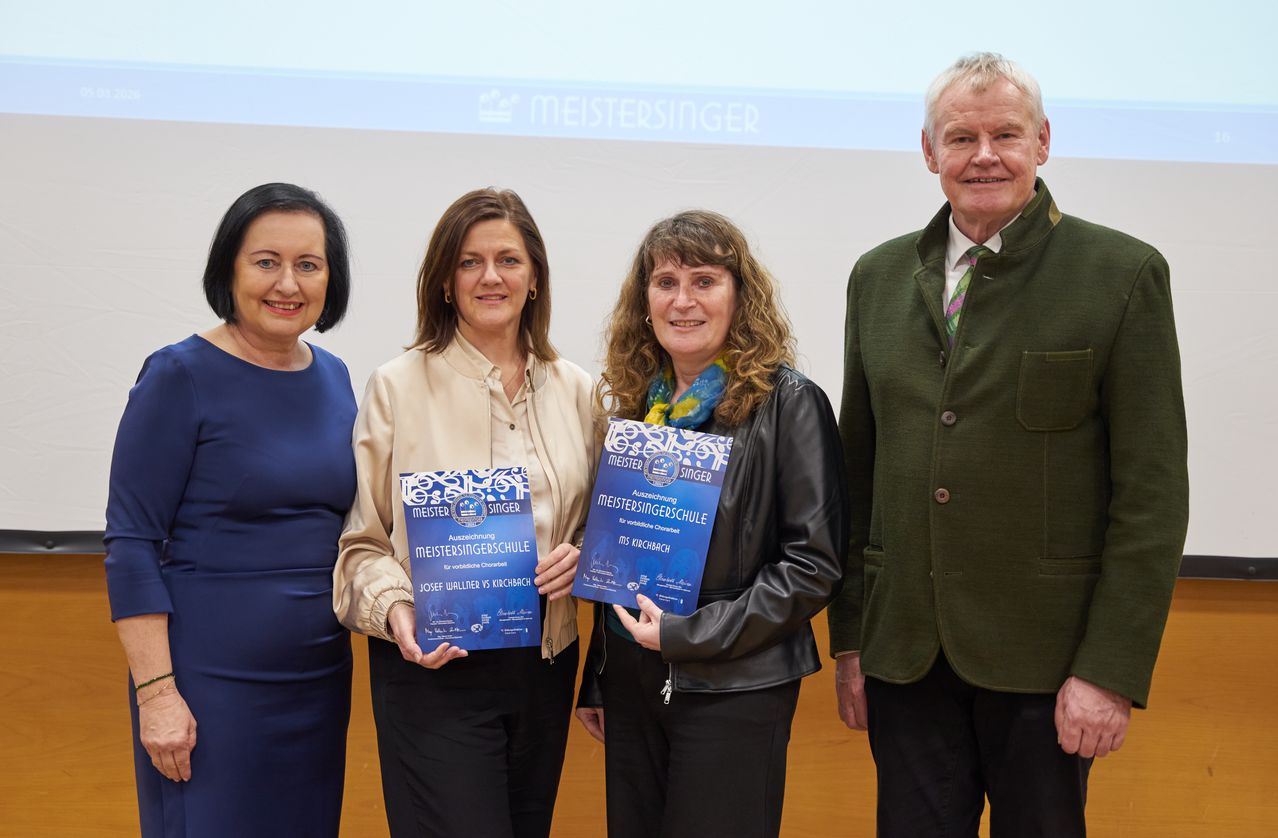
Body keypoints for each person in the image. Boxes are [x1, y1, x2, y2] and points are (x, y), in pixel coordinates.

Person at [828, 52, 1190, 836]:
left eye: (1005, 134)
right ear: (929, 153)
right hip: (906, 660)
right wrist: (852, 642)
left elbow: (1152, 498)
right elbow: (856, 477)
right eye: (960, 137)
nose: (983, 155)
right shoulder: (878, 277)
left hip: (1049, 665)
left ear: (1044, 142)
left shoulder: (1121, 274)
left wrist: (1110, 670)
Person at [333, 188, 595, 838]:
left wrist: (586, 560)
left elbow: (596, 529)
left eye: (508, 259)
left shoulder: (580, 391)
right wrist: (398, 612)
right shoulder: (396, 386)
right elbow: (360, 546)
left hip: (546, 662)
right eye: (469, 262)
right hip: (434, 670)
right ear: (445, 282)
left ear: (534, 278)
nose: (490, 277)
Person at [576, 210, 846, 838]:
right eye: (665, 281)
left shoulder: (790, 403)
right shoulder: (640, 407)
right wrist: (601, 676)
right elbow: (619, 554)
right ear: (644, 301)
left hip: (737, 687)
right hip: (636, 685)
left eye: (704, 281)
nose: (683, 300)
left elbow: (813, 566)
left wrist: (688, 635)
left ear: (739, 297)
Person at [104, 183, 357, 836]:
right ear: (229, 270)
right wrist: (156, 693)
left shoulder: (335, 377)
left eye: (309, 264)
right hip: (208, 688)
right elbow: (132, 544)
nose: (288, 283)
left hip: (318, 682)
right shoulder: (177, 374)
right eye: (265, 261)